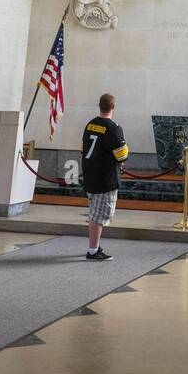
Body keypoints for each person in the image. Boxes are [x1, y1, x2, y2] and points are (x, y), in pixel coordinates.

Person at [81, 93, 129, 261]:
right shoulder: (113, 128)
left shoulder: (90, 125)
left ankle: (94, 245)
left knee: (95, 212)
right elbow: (122, 155)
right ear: (113, 107)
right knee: (99, 216)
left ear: (99, 106)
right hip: (105, 178)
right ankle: (93, 251)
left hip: (90, 175)